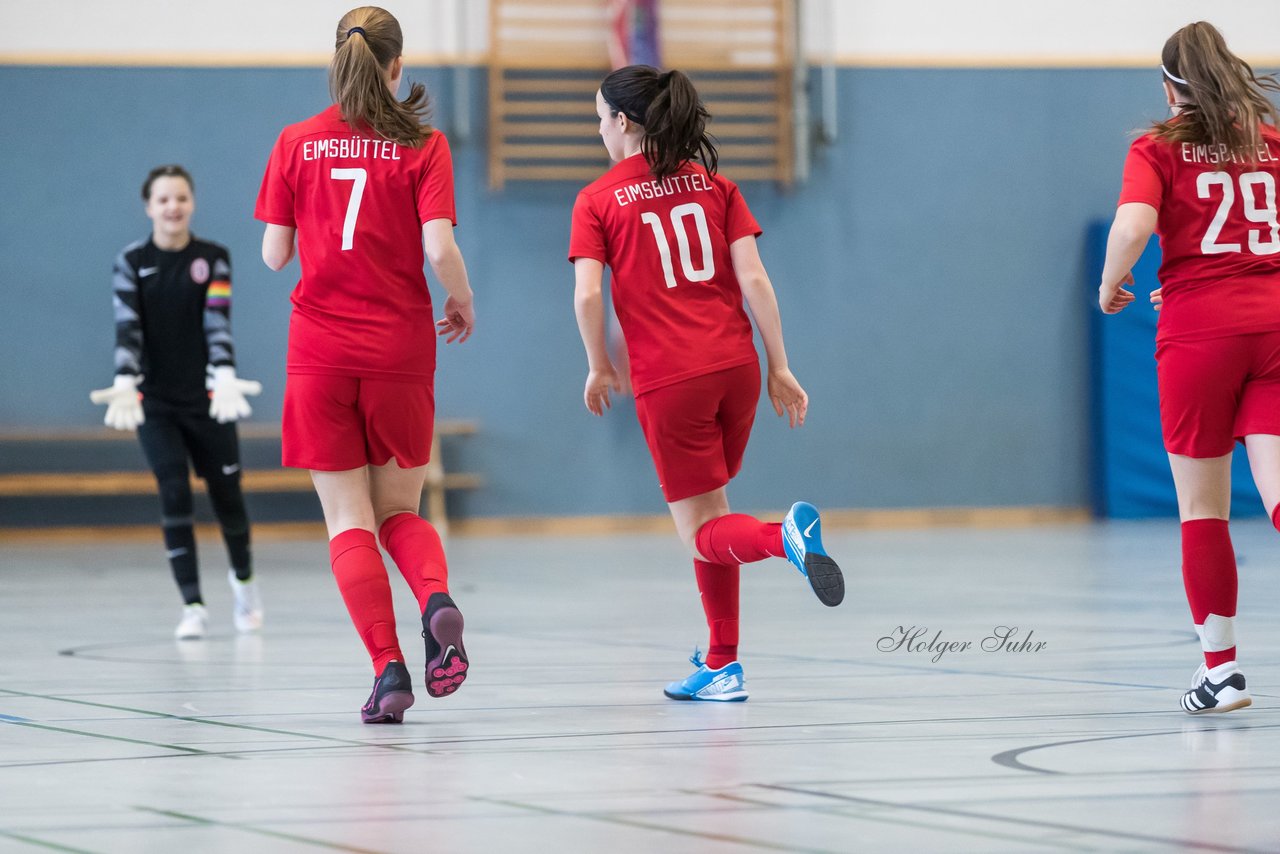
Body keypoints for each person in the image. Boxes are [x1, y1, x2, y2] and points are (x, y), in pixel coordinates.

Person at [568, 65, 846, 703]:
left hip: (672, 380)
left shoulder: (597, 198)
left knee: (701, 532)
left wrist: (598, 364)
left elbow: (587, 295)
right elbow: (754, 281)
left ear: (623, 122)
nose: (599, 131)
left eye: (600, 118)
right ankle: (722, 664)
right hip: (737, 370)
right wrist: (779, 365)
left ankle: (785, 539)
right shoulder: (715, 184)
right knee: (713, 516)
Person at [255, 6, 476, 724]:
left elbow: (274, 255)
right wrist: (462, 299)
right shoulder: (424, 143)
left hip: (319, 352)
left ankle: (388, 671)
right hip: (399, 349)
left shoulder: (295, 141)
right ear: (396, 67)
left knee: (348, 520)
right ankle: (435, 598)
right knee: (399, 511)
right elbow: (439, 247)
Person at [1100, 21, 1280, 715]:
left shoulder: (1157, 148)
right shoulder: (1268, 142)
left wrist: (1111, 283)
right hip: (1274, 323)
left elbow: (1133, 226)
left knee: (1202, 510)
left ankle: (1222, 673)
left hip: (1200, 334)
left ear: (1172, 88)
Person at [91, 164, 265, 640]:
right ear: (149, 207)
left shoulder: (214, 257)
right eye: (163, 199)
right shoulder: (131, 261)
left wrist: (224, 372)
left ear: (192, 203)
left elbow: (217, 321)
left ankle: (245, 584)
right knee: (173, 492)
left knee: (228, 496)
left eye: (181, 198)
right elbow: (127, 326)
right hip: (156, 402)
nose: (173, 207)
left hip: (208, 399)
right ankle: (192, 604)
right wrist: (126, 376)